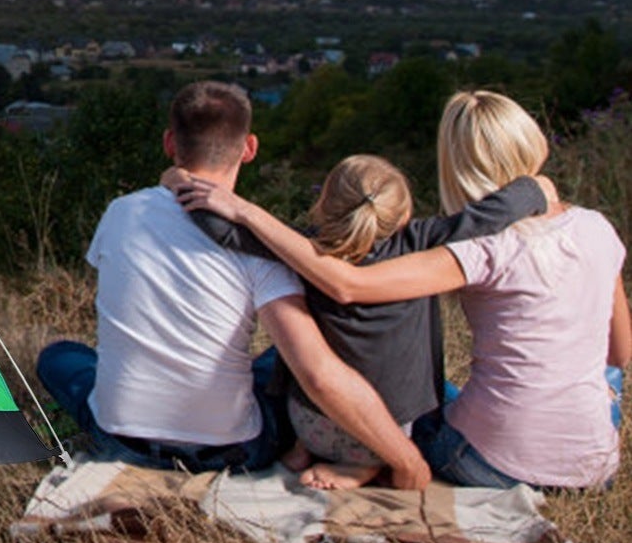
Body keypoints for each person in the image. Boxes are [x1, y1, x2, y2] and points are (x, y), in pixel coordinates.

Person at [175, 90, 632, 492]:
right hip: (594, 466)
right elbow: (620, 355)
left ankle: (342, 454)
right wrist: (535, 187)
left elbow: (344, 283)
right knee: (600, 377)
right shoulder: (597, 228)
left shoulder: (478, 253)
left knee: (286, 359)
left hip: (486, 461)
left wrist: (198, 187)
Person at [36, 81, 429, 486]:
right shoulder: (260, 249)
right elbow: (317, 374)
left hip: (121, 440)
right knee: (288, 357)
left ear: (170, 143)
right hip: (231, 451)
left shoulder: (121, 212)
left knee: (59, 357)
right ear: (250, 148)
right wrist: (407, 460)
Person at [178, 153, 548, 489]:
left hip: (310, 422)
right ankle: (365, 466)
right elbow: (487, 216)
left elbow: (224, 231)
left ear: (323, 204)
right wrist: (535, 187)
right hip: (389, 431)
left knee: (286, 348)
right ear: (402, 216)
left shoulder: (301, 247)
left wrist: (178, 180)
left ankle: (303, 447)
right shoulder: (420, 243)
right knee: (431, 386)